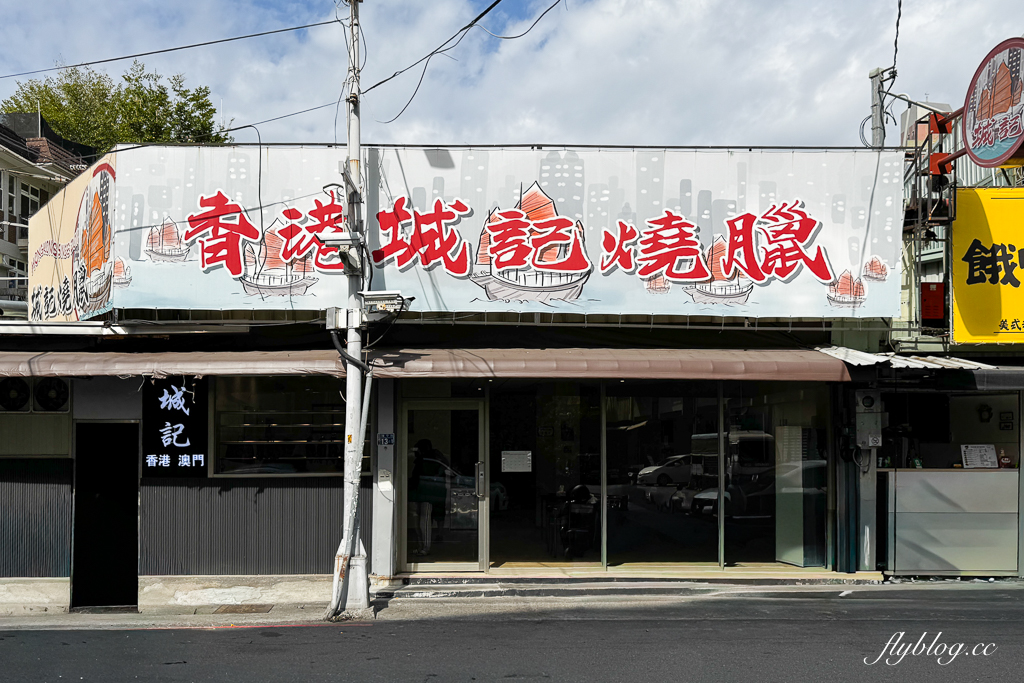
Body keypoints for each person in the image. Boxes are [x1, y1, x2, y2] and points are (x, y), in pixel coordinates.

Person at [408, 439, 436, 556]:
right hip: (421, 493)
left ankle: (425, 547)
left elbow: (418, 478)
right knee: (421, 522)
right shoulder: (424, 461)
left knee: (423, 521)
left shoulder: (426, 461)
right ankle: (422, 547)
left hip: (424, 494)